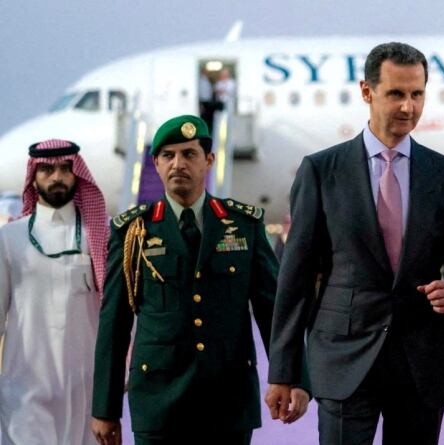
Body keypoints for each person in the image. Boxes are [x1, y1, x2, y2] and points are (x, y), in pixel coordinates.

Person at [265, 42, 444, 444]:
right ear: (367, 92)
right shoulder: (321, 171)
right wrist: (284, 372)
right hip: (343, 360)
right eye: (396, 94)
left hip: (420, 363)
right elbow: (294, 279)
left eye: (417, 94)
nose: (408, 107)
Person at [90, 115, 309, 445]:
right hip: (158, 402)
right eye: (168, 155)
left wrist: (293, 377)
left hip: (228, 399)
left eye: (189, 154)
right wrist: (105, 408)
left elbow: (273, 311)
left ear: (209, 160)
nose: (178, 164)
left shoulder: (243, 225)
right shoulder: (133, 232)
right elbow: (114, 323)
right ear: (156, 163)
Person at [0, 139, 108, 444]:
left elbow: (122, 315)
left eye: (65, 168)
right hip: (24, 392)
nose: (56, 176)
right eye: (47, 169)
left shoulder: (103, 235)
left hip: (86, 393)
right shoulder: (9, 238)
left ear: (78, 174)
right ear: (33, 176)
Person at [198, 67, 215, 132]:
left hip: (209, 102)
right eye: (205, 72)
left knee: (209, 118)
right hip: (203, 102)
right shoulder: (199, 80)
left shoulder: (208, 80)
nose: (206, 73)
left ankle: (208, 131)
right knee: (203, 118)